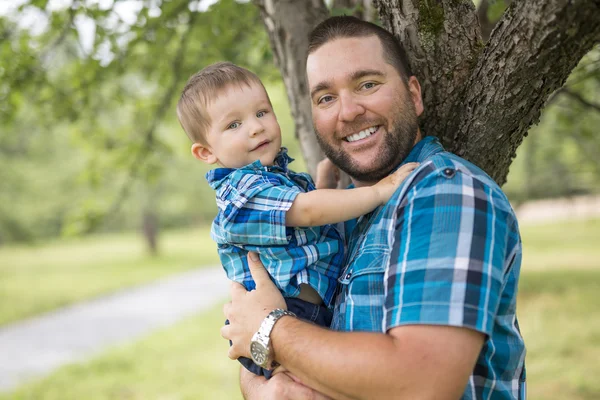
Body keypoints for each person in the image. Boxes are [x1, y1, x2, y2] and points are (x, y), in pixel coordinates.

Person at [222, 16, 527, 400]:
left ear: (414, 95)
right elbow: (250, 342)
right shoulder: (344, 216)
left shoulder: (445, 192)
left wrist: (269, 330)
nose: (347, 112)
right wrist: (266, 387)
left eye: (367, 84)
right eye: (326, 98)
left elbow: (422, 383)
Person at [176, 61, 418, 379]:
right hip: (289, 315)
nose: (255, 127)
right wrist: (379, 192)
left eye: (261, 112)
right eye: (233, 125)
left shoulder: (277, 179)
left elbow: (306, 223)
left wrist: (325, 189)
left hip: (303, 313)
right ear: (206, 152)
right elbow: (307, 211)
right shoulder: (242, 190)